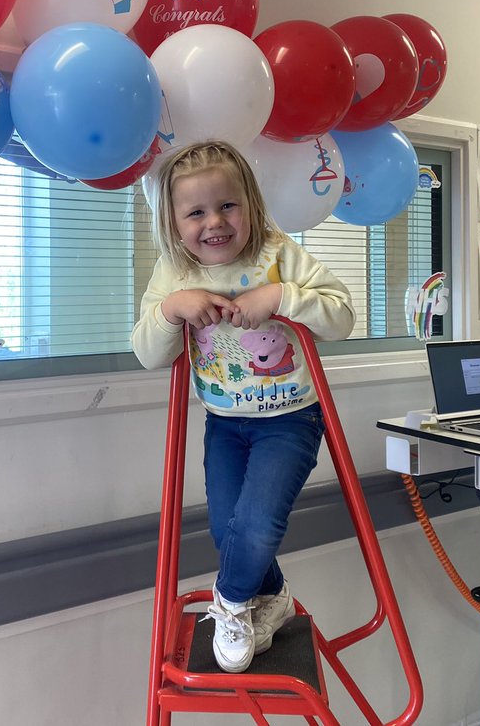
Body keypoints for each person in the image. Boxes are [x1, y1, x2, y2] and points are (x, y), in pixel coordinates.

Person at [131, 141, 355, 674]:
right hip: (225, 423)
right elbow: (147, 353)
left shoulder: (278, 255)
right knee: (226, 529)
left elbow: (342, 317)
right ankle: (272, 595)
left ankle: (230, 603)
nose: (215, 222)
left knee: (255, 526)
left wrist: (279, 297)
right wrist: (171, 309)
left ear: (251, 204)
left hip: (290, 419)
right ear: (175, 222)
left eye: (228, 205)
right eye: (196, 212)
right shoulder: (175, 271)